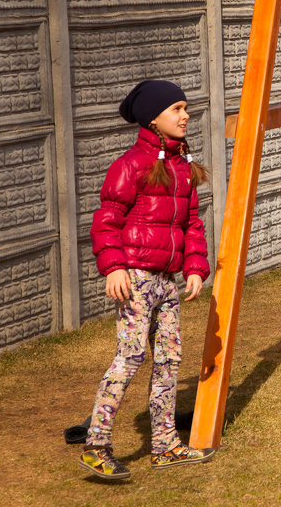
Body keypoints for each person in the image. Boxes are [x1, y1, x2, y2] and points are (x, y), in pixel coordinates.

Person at [80, 80, 214, 480]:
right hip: (135, 278)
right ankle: (96, 444)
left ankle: (165, 445)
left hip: (167, 281)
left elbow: (191, 224)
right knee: (132, 355)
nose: (185, 115)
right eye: (176, 109)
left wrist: (195, 267)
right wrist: (114, 267)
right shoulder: (130, 165)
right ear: (153, 118)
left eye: (185, 108)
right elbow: (106, 220)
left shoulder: (183, 167)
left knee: (170, 358)